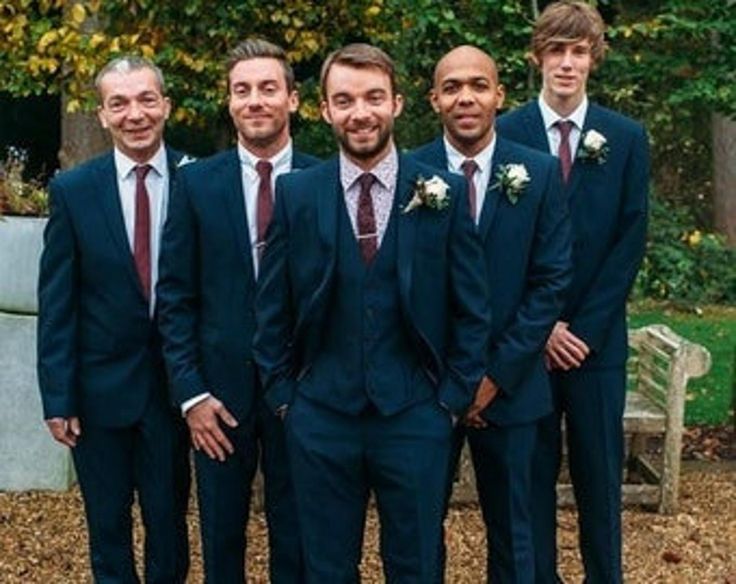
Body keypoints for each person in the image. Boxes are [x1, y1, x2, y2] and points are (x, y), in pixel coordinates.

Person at [253, 43, 490, 582]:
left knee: (415, 565)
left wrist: (449, 402)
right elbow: (272, 309)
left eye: (373, 97)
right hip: (320, 418)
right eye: (345, 99)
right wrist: (287, 399)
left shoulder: (444, 193)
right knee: (328, 567)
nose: (360, 112)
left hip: (415, 416)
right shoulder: (297, 195)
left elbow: (472, 309)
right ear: (324, 110)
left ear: (398, 104)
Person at [496, 2, 650, 582]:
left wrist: (581, 330)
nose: (567, 63)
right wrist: (540, 329)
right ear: (538, 57)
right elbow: (496, 247)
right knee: (530, 475)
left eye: (578, 51)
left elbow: (629, 240)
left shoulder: (626, 137)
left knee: (598, 475)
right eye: (556, 51)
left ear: (593, 58)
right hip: (528, 345)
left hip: (596, 346)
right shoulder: (505, 132)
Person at [156, 38, 319, 583]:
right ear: (228, 102)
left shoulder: (324, 180)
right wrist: (191, 395)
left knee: (298, 535)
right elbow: (174, 298)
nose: (255, 101)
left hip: (303, 393)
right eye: (241, 90)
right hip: (217, 400)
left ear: (293, 99)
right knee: (220, 539)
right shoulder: (196, 183)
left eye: (268, 88)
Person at [413, 45, 572, 583]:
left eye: (478, 85)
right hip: (428, 391)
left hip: (514, 387)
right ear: (434, 98)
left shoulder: (541, 173)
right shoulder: (410, 174)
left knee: (516, 540)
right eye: (452, 87)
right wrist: (457, 381)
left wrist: (493, 377)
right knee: (417, 535)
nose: (466, 97)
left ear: (499, 95)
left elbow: (549, 282)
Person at [37, 56, 190, 583]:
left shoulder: (201, 180)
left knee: (169, 527)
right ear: (102, 115)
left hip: (178, 392)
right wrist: (58, 396)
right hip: (99, 393)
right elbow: (58, 302)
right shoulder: (74, 192)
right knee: (107, 528)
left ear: (166, 106)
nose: (135, 114)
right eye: (119, 103)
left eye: (146, 99)